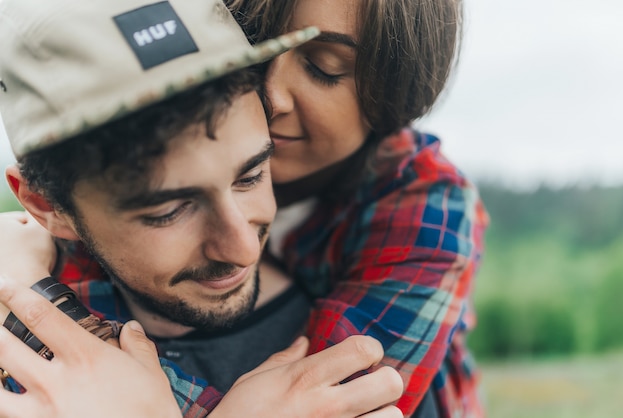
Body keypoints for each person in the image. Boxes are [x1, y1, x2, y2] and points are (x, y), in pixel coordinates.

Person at [3, 0, 489, 416]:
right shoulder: (76, 232)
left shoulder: (420, 201)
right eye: (254, 51)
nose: (270, 95)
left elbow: (329, 397)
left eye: (325, 67)